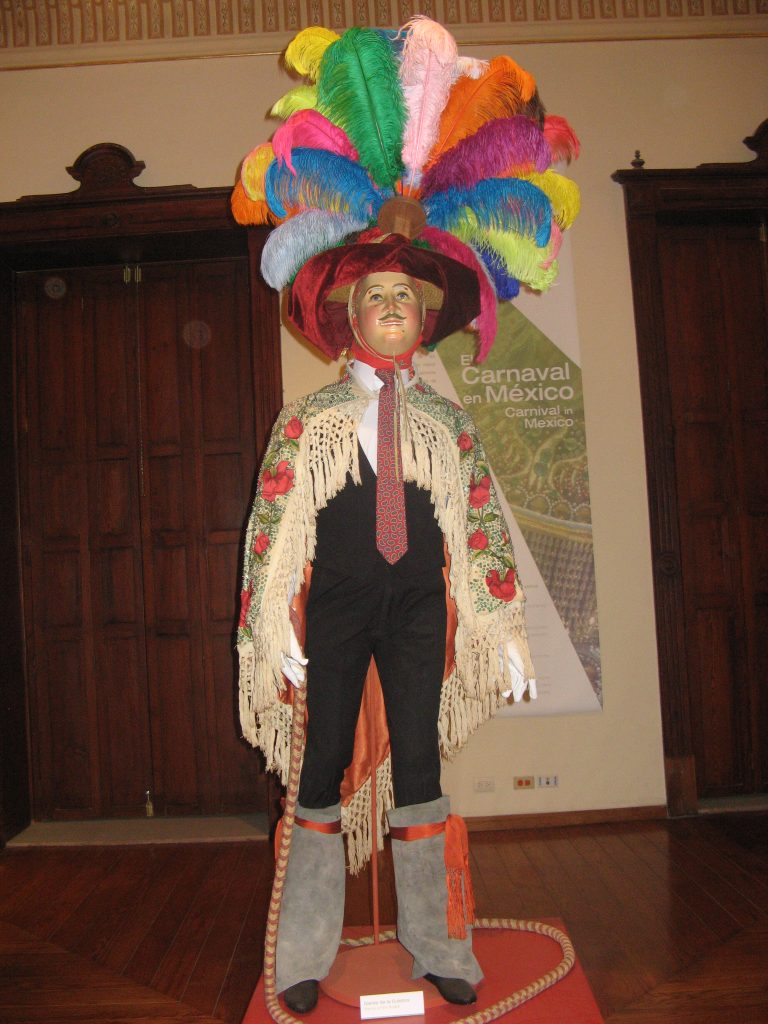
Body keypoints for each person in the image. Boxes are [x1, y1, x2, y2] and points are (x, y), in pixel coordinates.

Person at [237, 219, 535, 1014]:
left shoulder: (448, 422)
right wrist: (273, 630)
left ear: (422, 320)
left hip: (414, 608)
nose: (394, 304)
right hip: (335, 603)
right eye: (378, 295)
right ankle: (303, 952)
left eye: (406, 294)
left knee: (421, 766)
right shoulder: (307, 421)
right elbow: (270, 529)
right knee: (322, 761)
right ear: (352, 319)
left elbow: (480, 525)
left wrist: (501, 628)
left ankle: (439, 947)